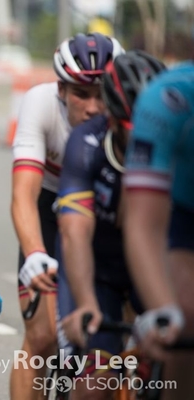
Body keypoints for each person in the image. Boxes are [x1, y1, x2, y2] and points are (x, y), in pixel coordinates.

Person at [9, 32, 123, 399]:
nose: (93, 107)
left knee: (120, 344)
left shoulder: (126, 112)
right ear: (61, 89)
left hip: (101, 216)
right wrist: (34, 253)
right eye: (81, 94)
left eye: (101, 94)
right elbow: (23, 195)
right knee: (42, 337)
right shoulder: (40, 103)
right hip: (48, 211)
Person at [55, 51, 165, 399]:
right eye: (138, 130)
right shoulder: (86, 144)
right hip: (97, 270)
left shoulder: (179, 144)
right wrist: (86, 303)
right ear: (114, 121)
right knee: (94, 386)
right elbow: (74, 232)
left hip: (156, 264)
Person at [124, 60, 194, 400]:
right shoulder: (169, 98)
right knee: (188, 313)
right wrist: (163, 308)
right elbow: (143, 224)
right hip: (184, 218)